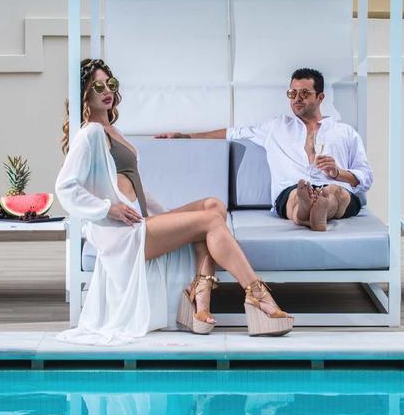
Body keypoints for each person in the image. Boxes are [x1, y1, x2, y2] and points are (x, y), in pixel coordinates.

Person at [55, 59, 292, 345]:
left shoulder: (113, 131)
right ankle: (256, 295)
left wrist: (170, 219)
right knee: (209, 221)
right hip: (123, 234)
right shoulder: (90, 133)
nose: (107, 91)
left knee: (212, 206)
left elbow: (138, 187)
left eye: (111, 84)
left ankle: (199, 297)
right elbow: (65, 187)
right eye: (98, 86)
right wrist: (108, 209)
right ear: (85, 94)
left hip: (139, 221)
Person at [156, 68, 373, 231]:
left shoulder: (345, 132)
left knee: (334, 193)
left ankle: (320, 207)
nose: (297, 99)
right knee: (298, 194)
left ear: (320, 97)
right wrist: (186, 136)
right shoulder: (276, 127)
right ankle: (312, 209)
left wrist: (338, 173)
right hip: (293, 189)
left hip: (336, 185)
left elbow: (366, 177)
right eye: (292, 93)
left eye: (305, 93)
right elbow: (234, 132)